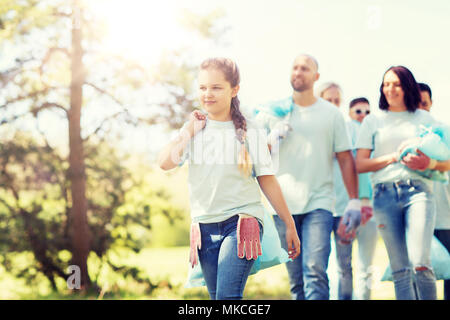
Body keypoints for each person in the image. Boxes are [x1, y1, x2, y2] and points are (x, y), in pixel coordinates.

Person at [157, 57, 300, 300]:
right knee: (217, 299)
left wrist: (289, 224)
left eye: (216, 87)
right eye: (202, 87)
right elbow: (164, 162)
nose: (207, 94)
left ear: (234, 90)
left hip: (242, 223)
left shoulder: (251, 129)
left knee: (227, 298)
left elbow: (267, 179)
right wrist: (189, 131)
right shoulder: (193, 129)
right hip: (204, 226)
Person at [255, 54, 360, 300]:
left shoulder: (331, 114)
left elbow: (345, 158)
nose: (299, 72)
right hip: (282, 206)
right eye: (295, 67)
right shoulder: (274, 111)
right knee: (296, 280)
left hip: (319, 203)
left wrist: (354, 200)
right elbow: (251, 155)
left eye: (305, 68)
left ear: (316, 76)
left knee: (315, 270)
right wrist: (270, 141)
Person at [355, 66, 449, 300]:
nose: (390, 89)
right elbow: (361, 165)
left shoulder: (424, 119)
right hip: (384, 196)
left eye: (396, 84)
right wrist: (394, 157)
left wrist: (428, 163)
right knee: (399, 269)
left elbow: (446, 162)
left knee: (420, 263)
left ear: (407, 86)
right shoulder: (373, 121)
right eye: (386, 84)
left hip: (418, 193)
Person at [320, 84, 378, 300]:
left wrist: (367, 202)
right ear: (350, 113)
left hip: (367, 207)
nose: (363, 115)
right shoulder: (344, 129)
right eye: (358, 111)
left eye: (367, 111)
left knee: (366, 266)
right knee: (341, 266)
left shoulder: (373, 135)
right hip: (340, 208)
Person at [418, 82, 450, 300]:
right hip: (416, 217)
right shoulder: (404, 132)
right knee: (417, 273)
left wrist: (430, 164)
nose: (421, 108)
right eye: (416, 103)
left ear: (431, 104)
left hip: (446, 217)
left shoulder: (441, 130)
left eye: (424, 103)